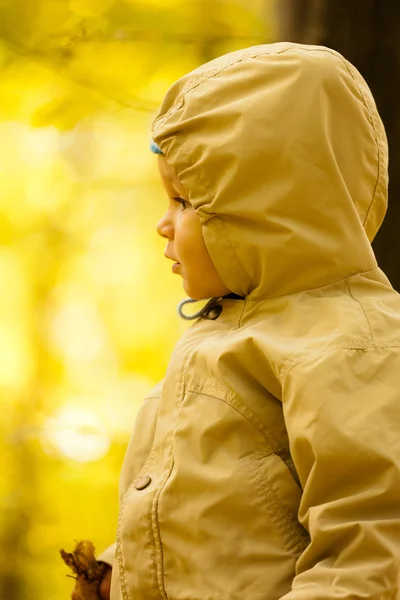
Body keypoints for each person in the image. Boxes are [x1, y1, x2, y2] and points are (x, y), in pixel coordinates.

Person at [72, 41, 400, 600]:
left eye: (184, 200)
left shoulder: (350, 342)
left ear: (267, 207)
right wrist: (116, 571)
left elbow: (370, 550)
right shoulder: (227, 336)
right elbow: (212, 514)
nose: (163, 223)